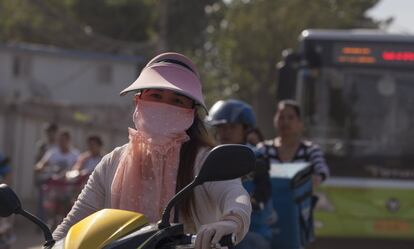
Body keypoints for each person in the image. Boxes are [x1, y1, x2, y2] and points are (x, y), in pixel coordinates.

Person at [52, 52, 252, 249]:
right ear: (137, 101)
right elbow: (73, 225)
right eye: (156, 96)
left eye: (177, 101)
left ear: (191, 112)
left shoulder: (203, 160)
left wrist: (231, 222)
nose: (164, 106)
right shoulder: (112, 162)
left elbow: (236, 196)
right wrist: (52, 244)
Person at [206, 99, 272, 249]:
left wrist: (249, 204)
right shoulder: (210, 157)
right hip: (218, 227)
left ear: (246, 129)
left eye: (232, 127)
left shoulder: (257, 158)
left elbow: (264, 192)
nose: (226, 132)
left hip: (253, 231)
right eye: (222, 127)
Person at [256, 99, 330, 190]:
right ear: (275, 121)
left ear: (300, 123)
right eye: (281, 117)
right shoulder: (263, 149)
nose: (285, 122)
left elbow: (322, 171)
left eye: (290, 117)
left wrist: (310, 184)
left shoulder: (310, 150)